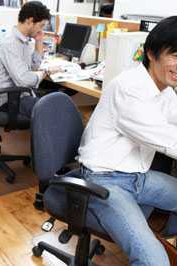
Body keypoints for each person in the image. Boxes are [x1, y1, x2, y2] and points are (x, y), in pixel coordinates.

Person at [78, 16, 177, 266]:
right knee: (155, 262)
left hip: (138, 177)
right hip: (105, 180)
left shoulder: (165, 89)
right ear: (152, 53)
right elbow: (169, 139)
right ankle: (155, 251)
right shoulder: (129, 88)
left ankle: (165, 242)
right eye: (175, 55)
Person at [0, 1, 51, 118]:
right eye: (41, 26)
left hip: (21, 93)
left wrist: (39, 41)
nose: (42, 30)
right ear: (29, 21)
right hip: (7, 98)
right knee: (47, 110)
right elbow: (24, 80)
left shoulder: (25, 41)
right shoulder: (10, 43)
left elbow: (32, 68)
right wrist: (44, 73)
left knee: (54, 101)